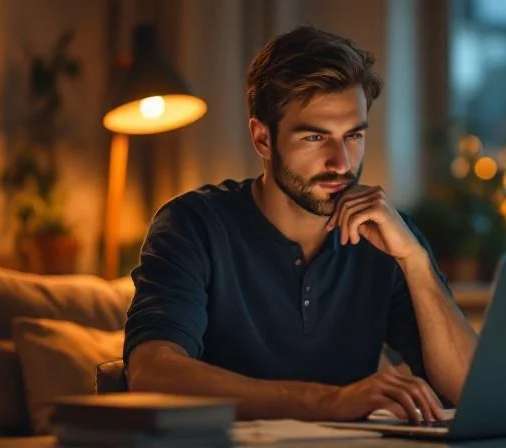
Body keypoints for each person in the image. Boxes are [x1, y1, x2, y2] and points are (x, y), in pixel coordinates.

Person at [123, 26, 477, 424]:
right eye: (314, 137)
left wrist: (413, 259)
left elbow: (470, 391)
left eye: (354, 136)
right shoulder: (194, 225)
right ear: (262, 138)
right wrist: (326, 402)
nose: (341, 162)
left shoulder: (389, 234)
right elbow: (152, 371)